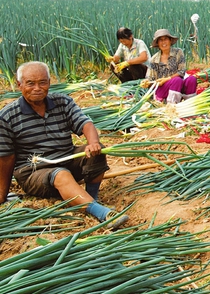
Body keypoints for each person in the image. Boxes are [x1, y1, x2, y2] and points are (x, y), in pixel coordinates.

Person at [0, 61, 130, 229]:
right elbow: (6, 158)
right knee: (61, 174)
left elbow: (86, 124)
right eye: (30, 83)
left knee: (97, 151)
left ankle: (91, 200)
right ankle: (102, 214)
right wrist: (2, 194)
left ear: (49, 82)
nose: (37, 88)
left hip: (66, 158)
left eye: (42, 82)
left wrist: (93, 143)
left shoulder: (62, 101)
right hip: (33, 172)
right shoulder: (7, 116)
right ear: (19, 85)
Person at [144, 29, 198, 105]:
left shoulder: (178, 52)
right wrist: (146, 82)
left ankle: (189, 104)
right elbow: (150, 78)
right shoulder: (154, 59)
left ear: (170, 40)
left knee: (191, 79)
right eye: (160, 40)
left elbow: (182, 71)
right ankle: (172, 105)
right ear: (158, 43)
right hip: (163, 89)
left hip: (179, 86)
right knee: (177, 80)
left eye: (165, 39)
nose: (163, 42)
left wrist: (167, 79)